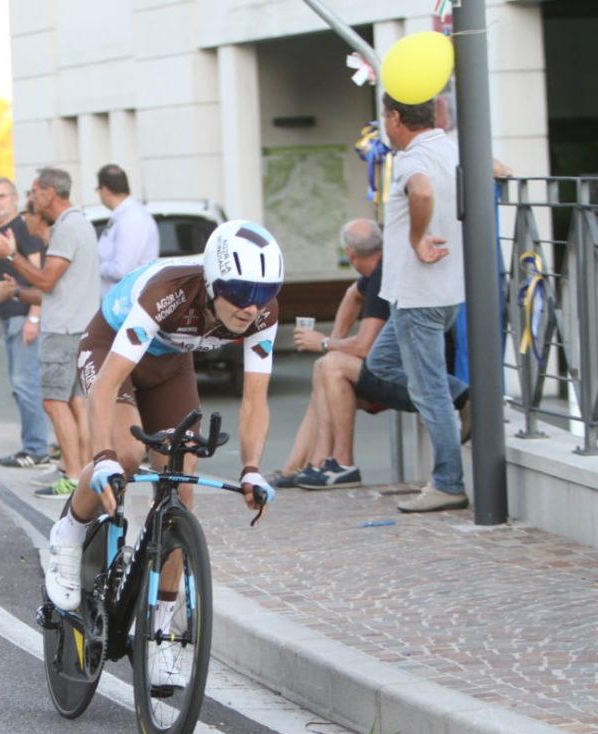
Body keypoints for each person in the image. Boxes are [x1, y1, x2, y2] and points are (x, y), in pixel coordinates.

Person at [45, 220, 283, 684]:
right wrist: (107, 455)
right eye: (238, 290)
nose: (250, 305)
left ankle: (161, 634)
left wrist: (253, 469)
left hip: (172, 367)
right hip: (110, 351)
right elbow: (109, 383)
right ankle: (69, 534)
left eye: (263, 292)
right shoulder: (169, 291)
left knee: (180, 499)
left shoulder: (262, 312)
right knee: (129, 458)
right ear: (214, 281)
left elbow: (256, 399)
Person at [270, 219, 470, 489]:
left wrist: (327, 342)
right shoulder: (379, 271)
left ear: (349, 253)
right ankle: (304, 466)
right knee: (325, 371)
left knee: (331, 367)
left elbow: (365, 347)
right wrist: (337, 340)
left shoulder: (382, 276)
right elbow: (352, 294)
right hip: (403, 371)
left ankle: (341, 463)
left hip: (408, 377)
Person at [366, 93, 468, 513]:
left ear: (395, 117)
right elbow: (494, 169)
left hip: (419, 295)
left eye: (384, 119)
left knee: (429, 393)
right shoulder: (451, 147)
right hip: (443, 292)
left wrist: (416, 239)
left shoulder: (411, 158)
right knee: (380, 363)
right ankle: (465, 396)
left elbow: (421, 193)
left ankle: (448, 483)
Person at [0, 166, 101, 500]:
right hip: (80, 326)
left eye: (33, 191)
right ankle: (82, 473)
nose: (30, 198)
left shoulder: (68, 228)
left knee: (54, 402)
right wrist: (14, 292)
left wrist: (9, 255)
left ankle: (73, 477)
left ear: (50, 192)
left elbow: (45, 281)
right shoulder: (79, 224)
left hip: (63, 330)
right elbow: (52, 291)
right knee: (75, 403)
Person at [0, 177, 51, 469]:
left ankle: (36, 449)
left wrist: (34, 316)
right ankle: (32, 445)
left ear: (15, 198)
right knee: (19, 385)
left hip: (25, 316)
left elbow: (39, 274)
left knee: (26, 383)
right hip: (7, 317)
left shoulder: (23, 229)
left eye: (3, 196)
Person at [95, 164, 159, 295]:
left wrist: (94, 267)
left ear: (105, 189)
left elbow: (121, 269)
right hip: (119, 302)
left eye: (98, 189)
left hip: (127, 303)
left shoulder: (131, 218)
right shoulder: (123, 215)